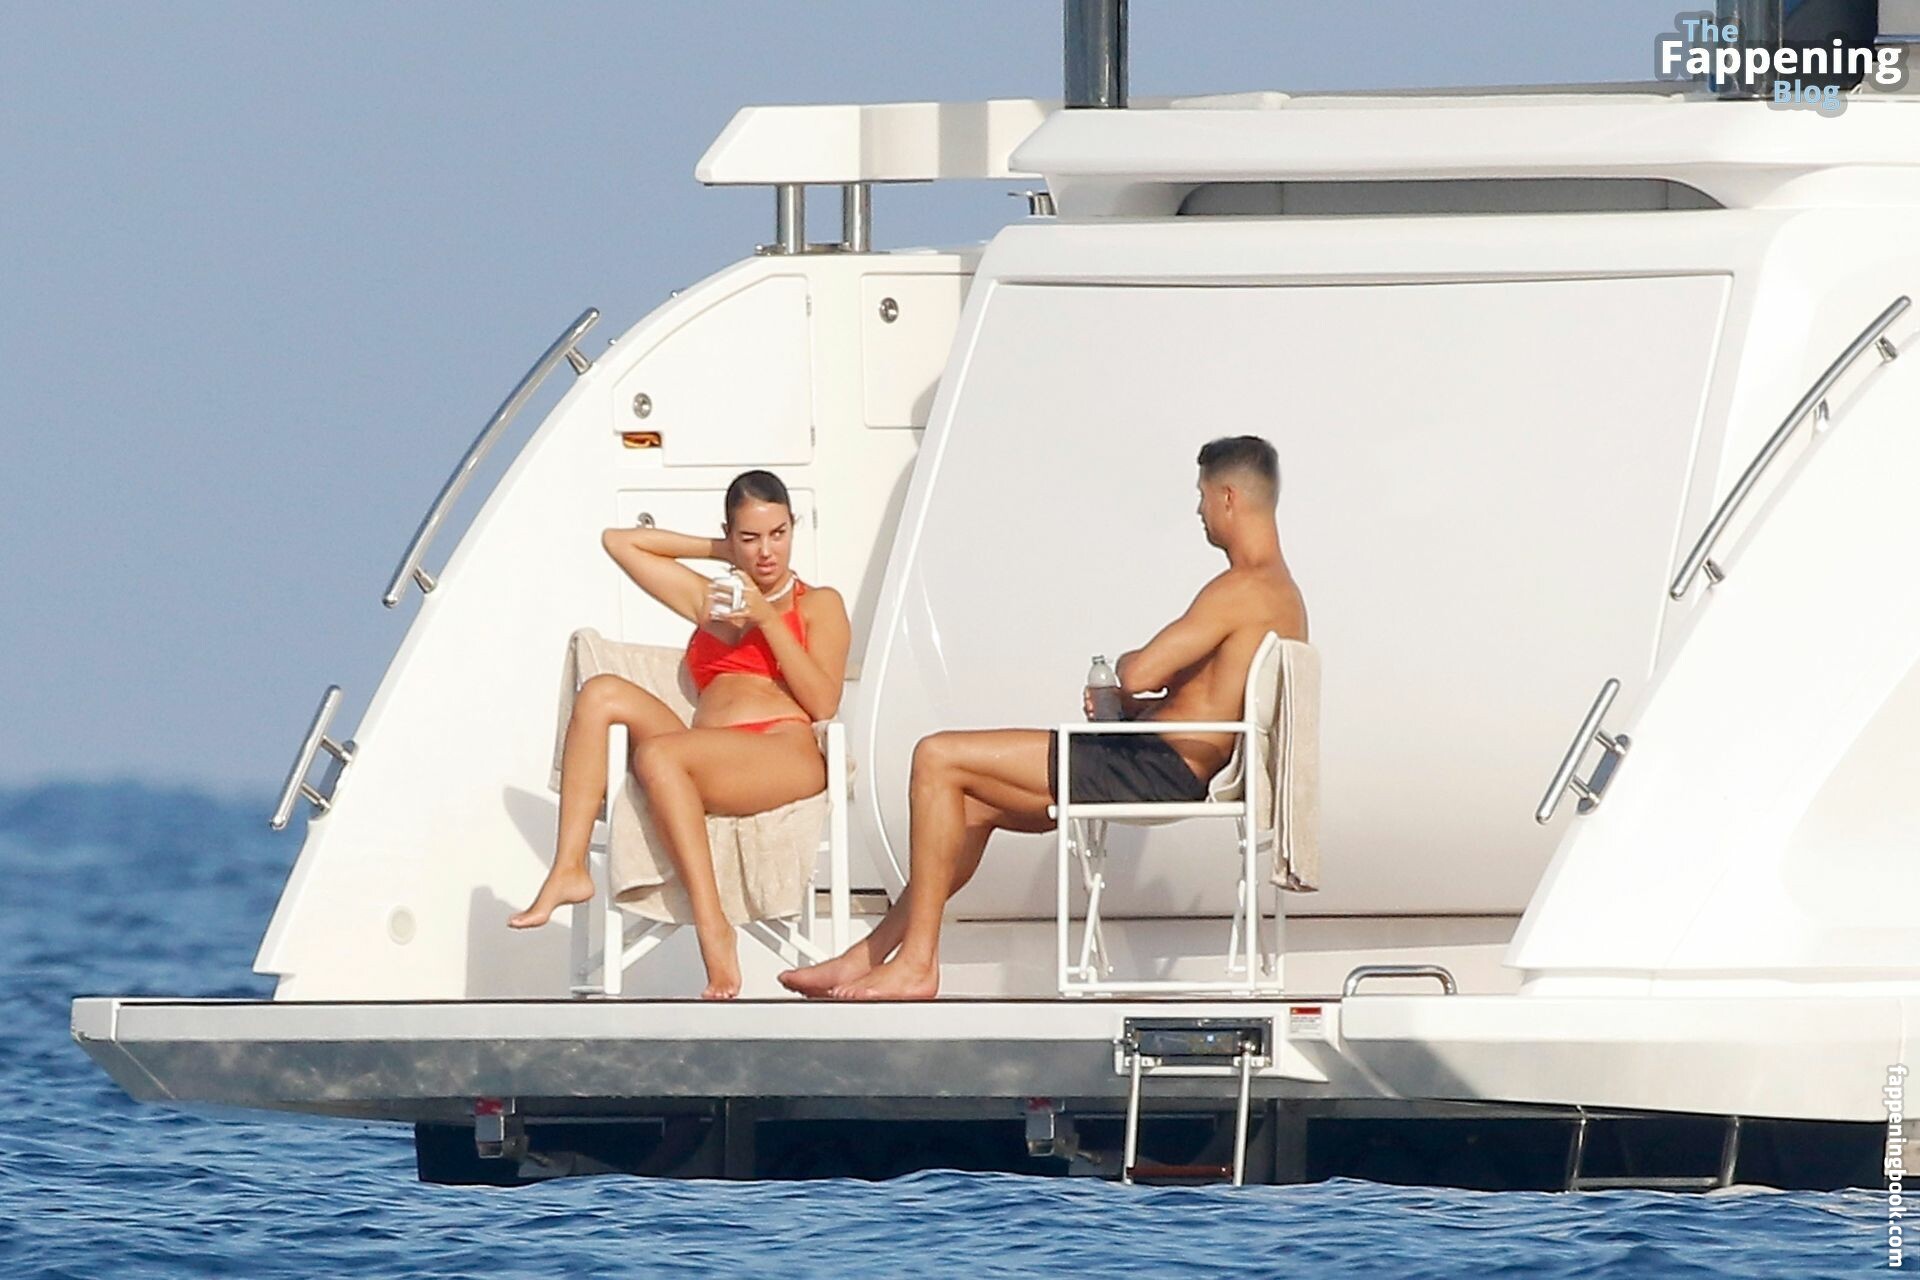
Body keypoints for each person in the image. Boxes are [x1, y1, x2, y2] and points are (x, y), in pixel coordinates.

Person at [780, 435, 1307, 1001]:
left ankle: (917, 964)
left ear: (1228, 497)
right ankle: (868, 955)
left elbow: (1138, 671)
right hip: (1163, 760)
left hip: (1155, 767)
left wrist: (1127, 676)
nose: (1198, 510)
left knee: (936, 756)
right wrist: (1143, 705)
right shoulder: (1281, 593)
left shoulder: (1242, 588)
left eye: (1202, 495)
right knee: (970, 805)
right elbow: (1207, 691)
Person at [509, 470, 851, 1000]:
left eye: (778, 534)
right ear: (730, 535)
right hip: (704, 751)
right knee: (599, 692)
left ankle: (714, 929)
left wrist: (766, 616)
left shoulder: (818, 603)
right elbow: (619, 542)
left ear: (793, 528)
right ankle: (569, 868)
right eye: (750, 537)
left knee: (661, 757)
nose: (766, 552)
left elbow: (823, 701)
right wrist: (720, 553)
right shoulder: (713, 603)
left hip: (781, 749)